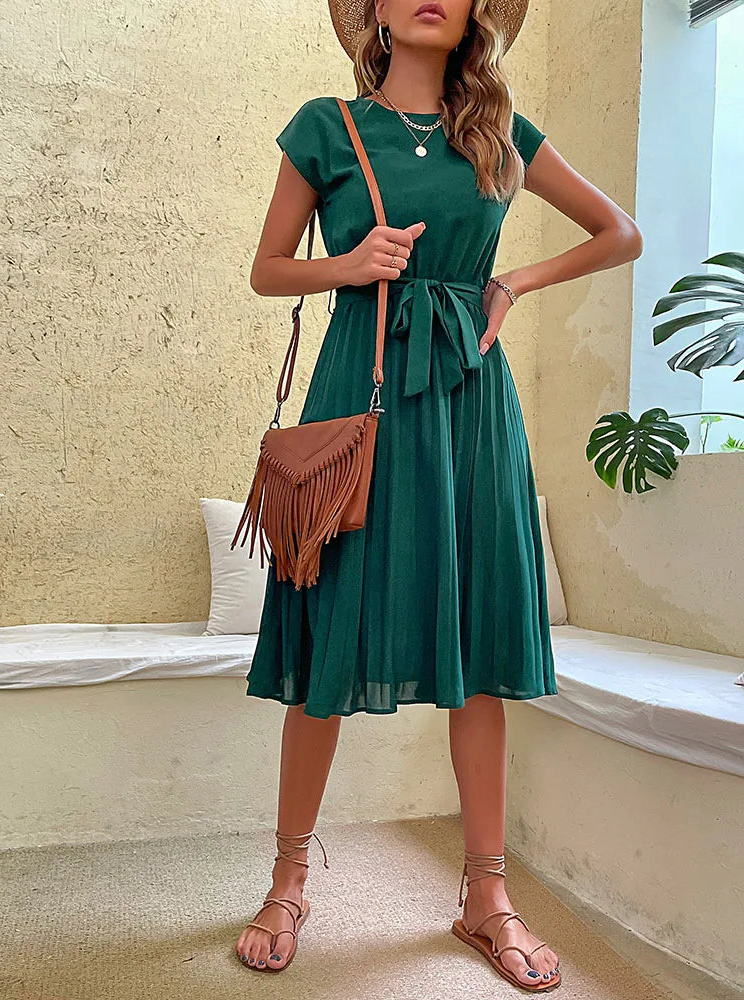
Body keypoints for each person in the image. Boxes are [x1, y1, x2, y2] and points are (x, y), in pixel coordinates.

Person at [235, 0, 642, 991]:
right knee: (328, 624)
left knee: (480, 647)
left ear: (472, 14)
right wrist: (351, 263)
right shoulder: (326, 126)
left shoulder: (498, 132)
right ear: (372, 10)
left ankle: (486, 896)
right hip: (361, 402)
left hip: (469, 400)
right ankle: (289, 879)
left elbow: (618, 231)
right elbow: (266, 269)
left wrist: (512, 285)